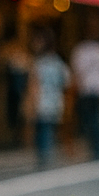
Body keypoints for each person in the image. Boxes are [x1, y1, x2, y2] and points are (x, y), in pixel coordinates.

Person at [70, 20, 99, 160]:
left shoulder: (81, 50)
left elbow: (77, 72)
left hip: (87, 90)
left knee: (91, 120)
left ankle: (96, 147)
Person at [30, 31, 69, 168]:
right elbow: (67, 81)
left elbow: (34, 84)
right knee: (49, 128)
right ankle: (47, 154)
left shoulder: (40, 63)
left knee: (42, 129)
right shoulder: (58, 62)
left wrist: (32, 102)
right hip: (56, 100)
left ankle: (44, 156)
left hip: (41, 100)